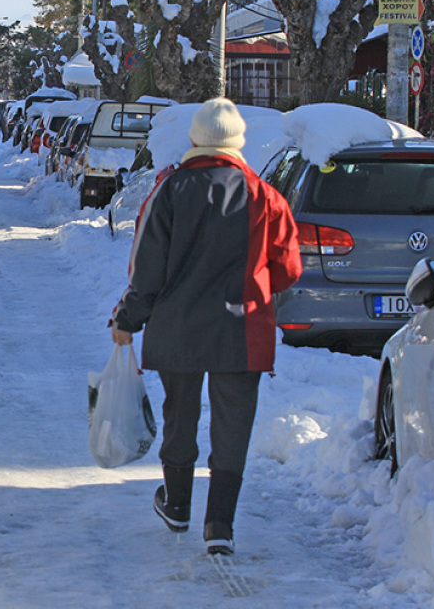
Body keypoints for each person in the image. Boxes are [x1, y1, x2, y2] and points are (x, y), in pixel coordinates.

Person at [110, 97, 301, 556]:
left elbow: (146, 270)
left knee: (180, 416)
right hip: (242, 332)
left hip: (178, 329)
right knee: (233, 427)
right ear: (238, 142)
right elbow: (288, 269)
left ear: (196, 138)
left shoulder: (169, 190)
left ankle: (177, 504)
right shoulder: (266, 197)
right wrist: (257, 287)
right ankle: (220, 526)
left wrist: (128, 318)